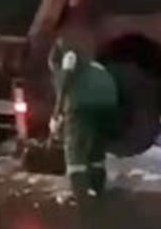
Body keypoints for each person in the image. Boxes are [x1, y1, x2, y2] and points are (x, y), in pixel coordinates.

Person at [48, 39, 119, 199]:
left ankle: (79, 192)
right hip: (107, 106)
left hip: (82, 107)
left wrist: (56, 119)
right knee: (95, 148)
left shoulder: (66, 70)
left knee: (75, 149)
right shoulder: (95, 66)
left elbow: (64, 96)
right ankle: (97, 187)